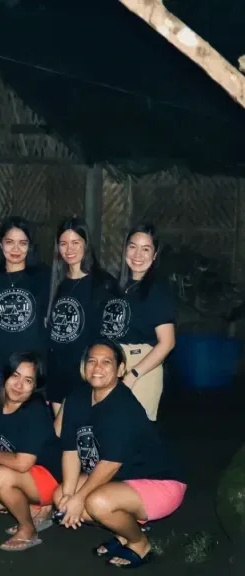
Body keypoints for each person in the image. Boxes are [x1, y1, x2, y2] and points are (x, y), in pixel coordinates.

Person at [54, 340, 186, 568]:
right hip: (121, 478)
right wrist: (69, 495)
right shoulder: (77, 398)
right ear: (84, 366)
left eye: (107, 362)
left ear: (120, 369)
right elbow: (70, 450)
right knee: (60, 497)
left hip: (159, 482)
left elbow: (110, 465)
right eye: (92, 361)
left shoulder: (122, 407)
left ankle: (139, 543)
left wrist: (79, 498)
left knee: (96, 502)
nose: (97, 367)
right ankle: (123, 532)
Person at [0, 352, 62, 552]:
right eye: (15, 375)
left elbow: (23, 463)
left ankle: (28, 528)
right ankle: (24, 506)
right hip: (8, 472)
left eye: (28, 380)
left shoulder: (35, 411)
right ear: (5, 376)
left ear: (35, 386)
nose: (19, 385)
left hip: (46, 477)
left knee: (0, 476)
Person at [99, 223, 176, 421]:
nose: (138, 255)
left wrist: (133, 374)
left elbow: (167, 342)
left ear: (155, 254)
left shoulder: (157, 291)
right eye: (133, 246)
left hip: (141, 367)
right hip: (112, 364)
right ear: (125, 249)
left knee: (132, 436)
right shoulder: (115, 287)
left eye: (146, 249)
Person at [46, 218, 116, 414]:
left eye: (76, 242)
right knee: (62, 437)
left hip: (88, 375)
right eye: (63, 243)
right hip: (58, 373)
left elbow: (112, 337)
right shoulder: (56, 282)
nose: (69, 249)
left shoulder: (103, 284)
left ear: (86, 244)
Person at [0, 217, 50, 397]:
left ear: (30, 246)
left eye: (22, 243)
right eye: (9, 242)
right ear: (0, 244)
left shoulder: (44, 277)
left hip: (30, 367)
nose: (16, 249)